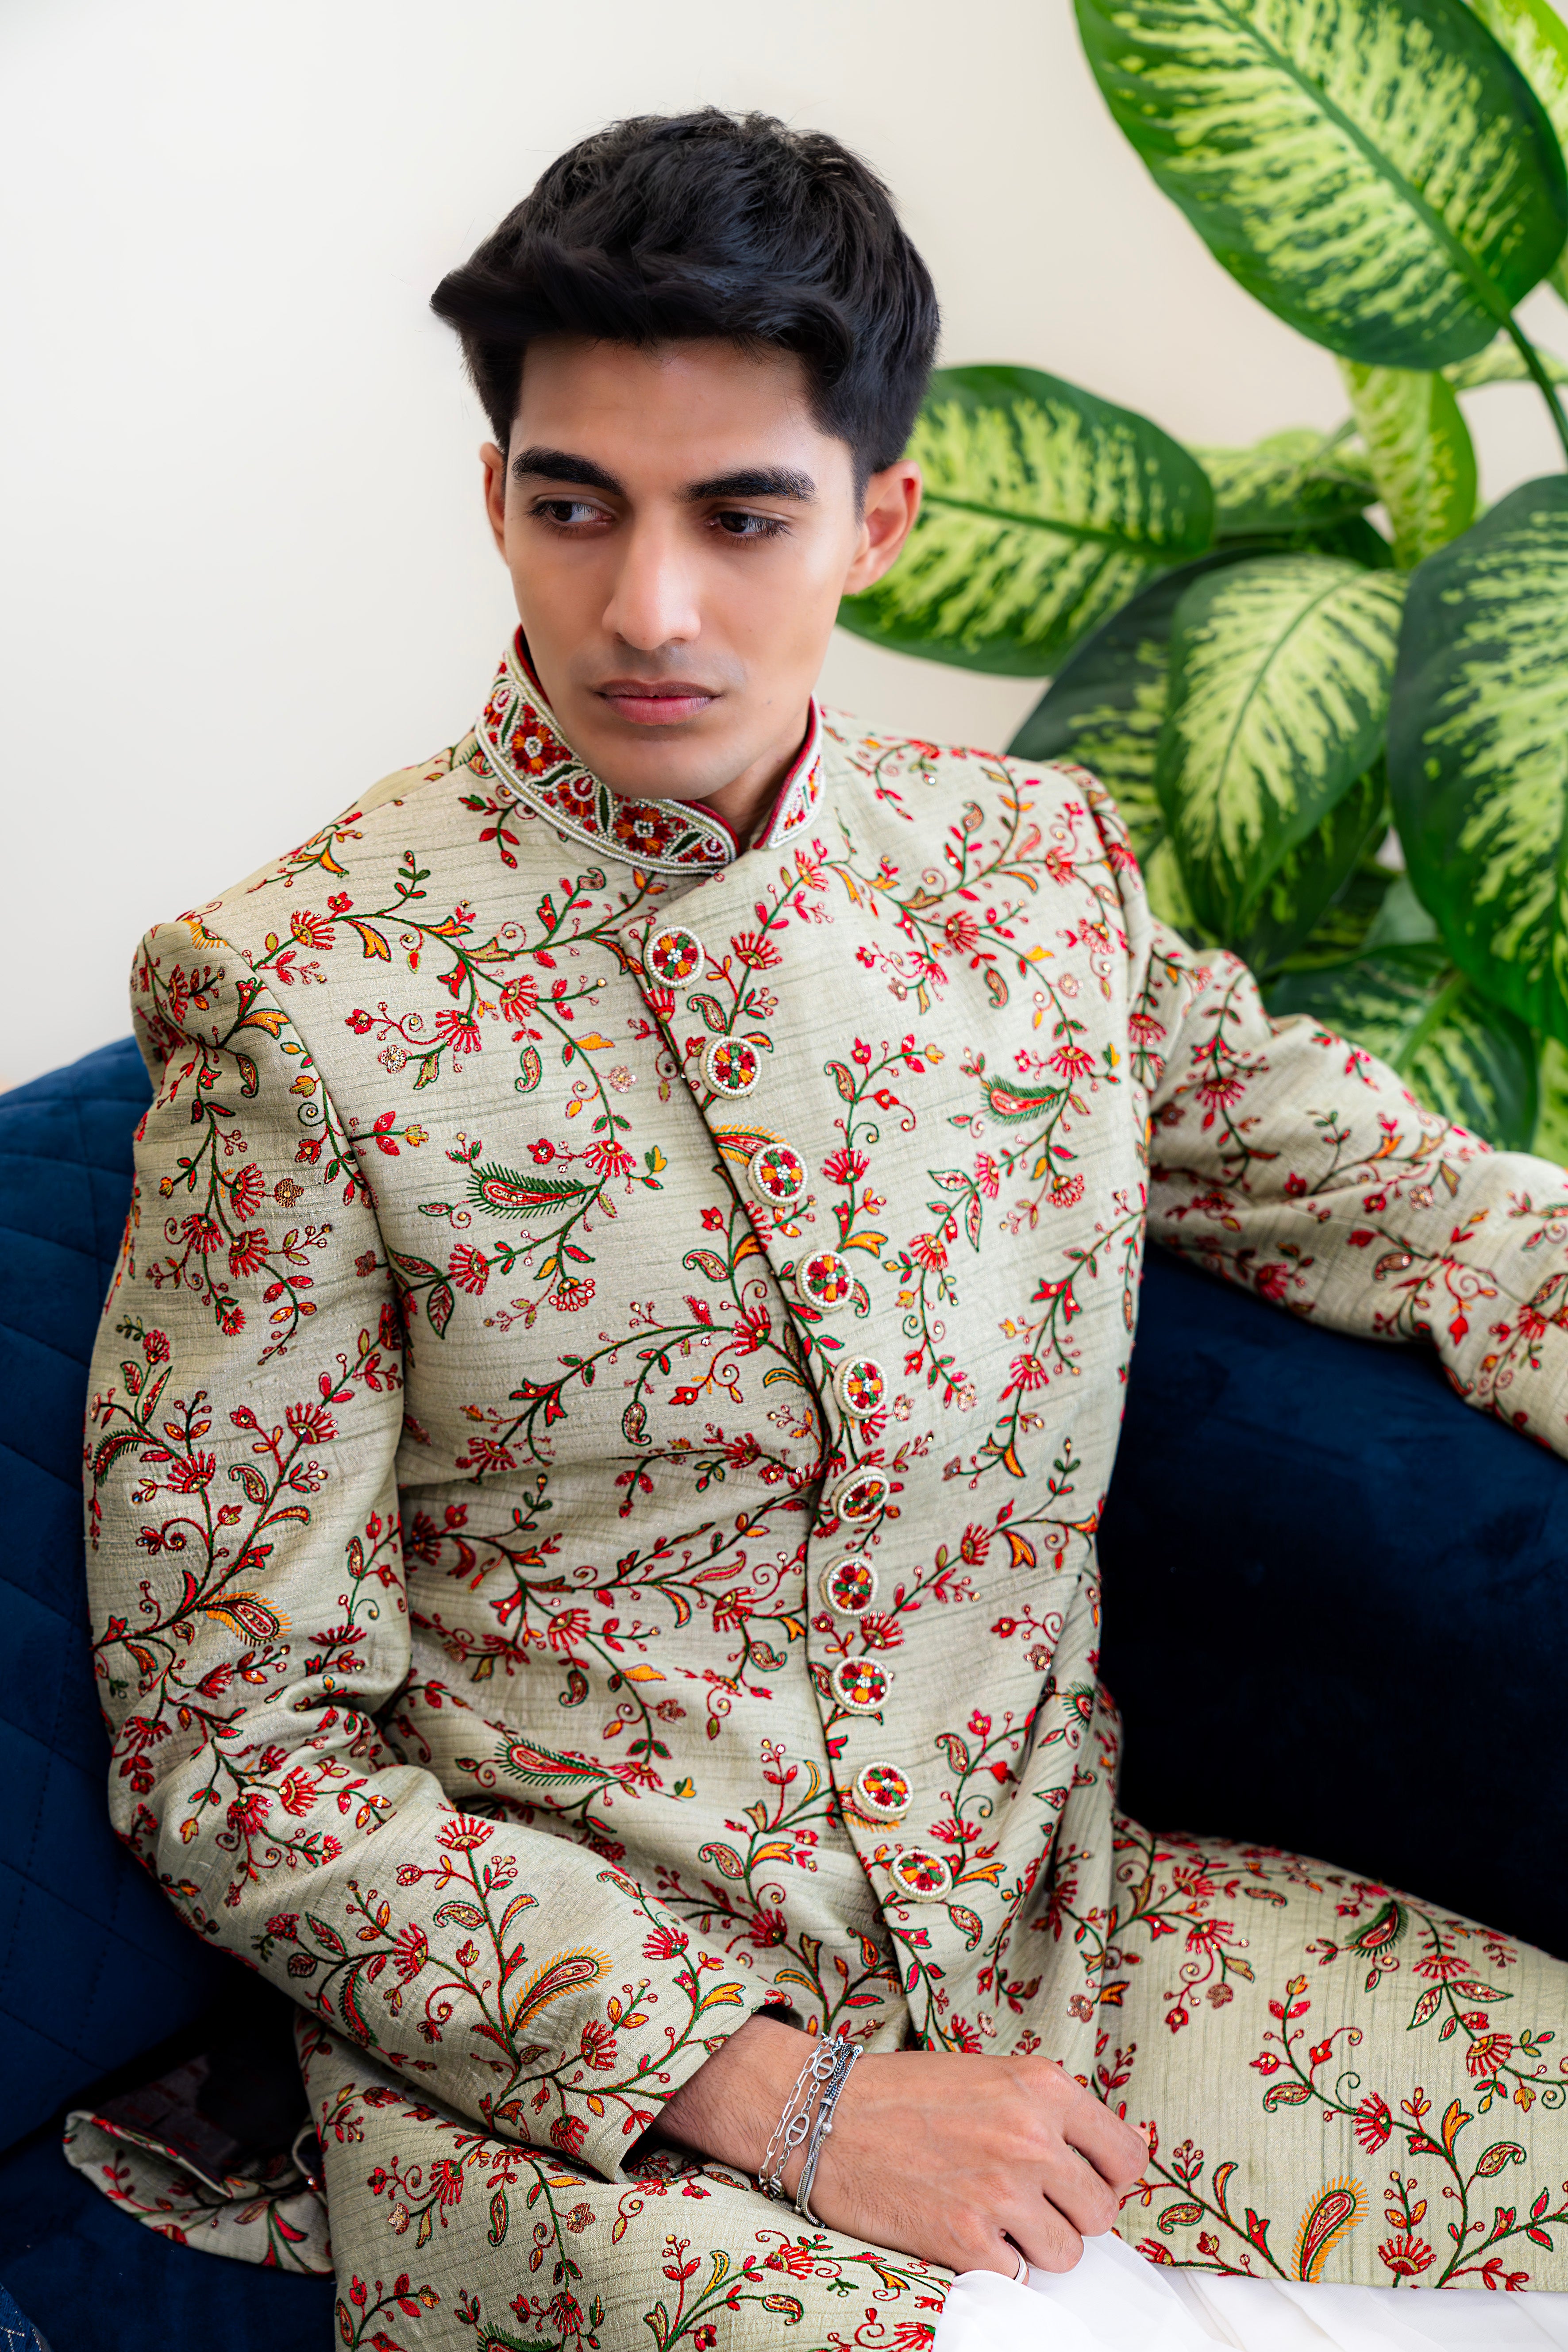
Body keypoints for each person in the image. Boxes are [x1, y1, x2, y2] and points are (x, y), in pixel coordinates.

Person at [75, 108, 1568, 2352]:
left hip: (1081, 1951)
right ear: (495, 500)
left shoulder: (1032, 881)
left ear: (878, 519)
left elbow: (1407, 1206)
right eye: (573, 505)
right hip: (595, 2098)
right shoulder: (303, 1006)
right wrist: (781, 2102)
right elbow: (237, 1751)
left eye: (738, 513)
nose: (645, 605)